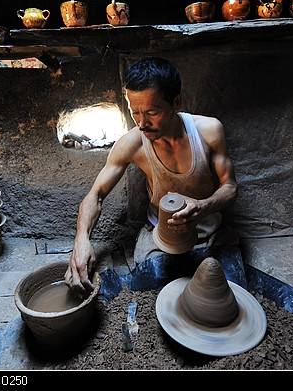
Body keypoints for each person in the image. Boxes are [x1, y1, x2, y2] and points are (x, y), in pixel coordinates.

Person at [65, 57, 239, 295]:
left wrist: (203, 206)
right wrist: (81, 240)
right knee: (152, 294)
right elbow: (96, 195)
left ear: (176, 102)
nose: (142, 123)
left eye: (152, 112)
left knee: (228, 295)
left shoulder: (208, 132)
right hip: (161, 236)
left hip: (211, 233)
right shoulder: (132, 143)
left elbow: (230, 187)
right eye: (134, 112)